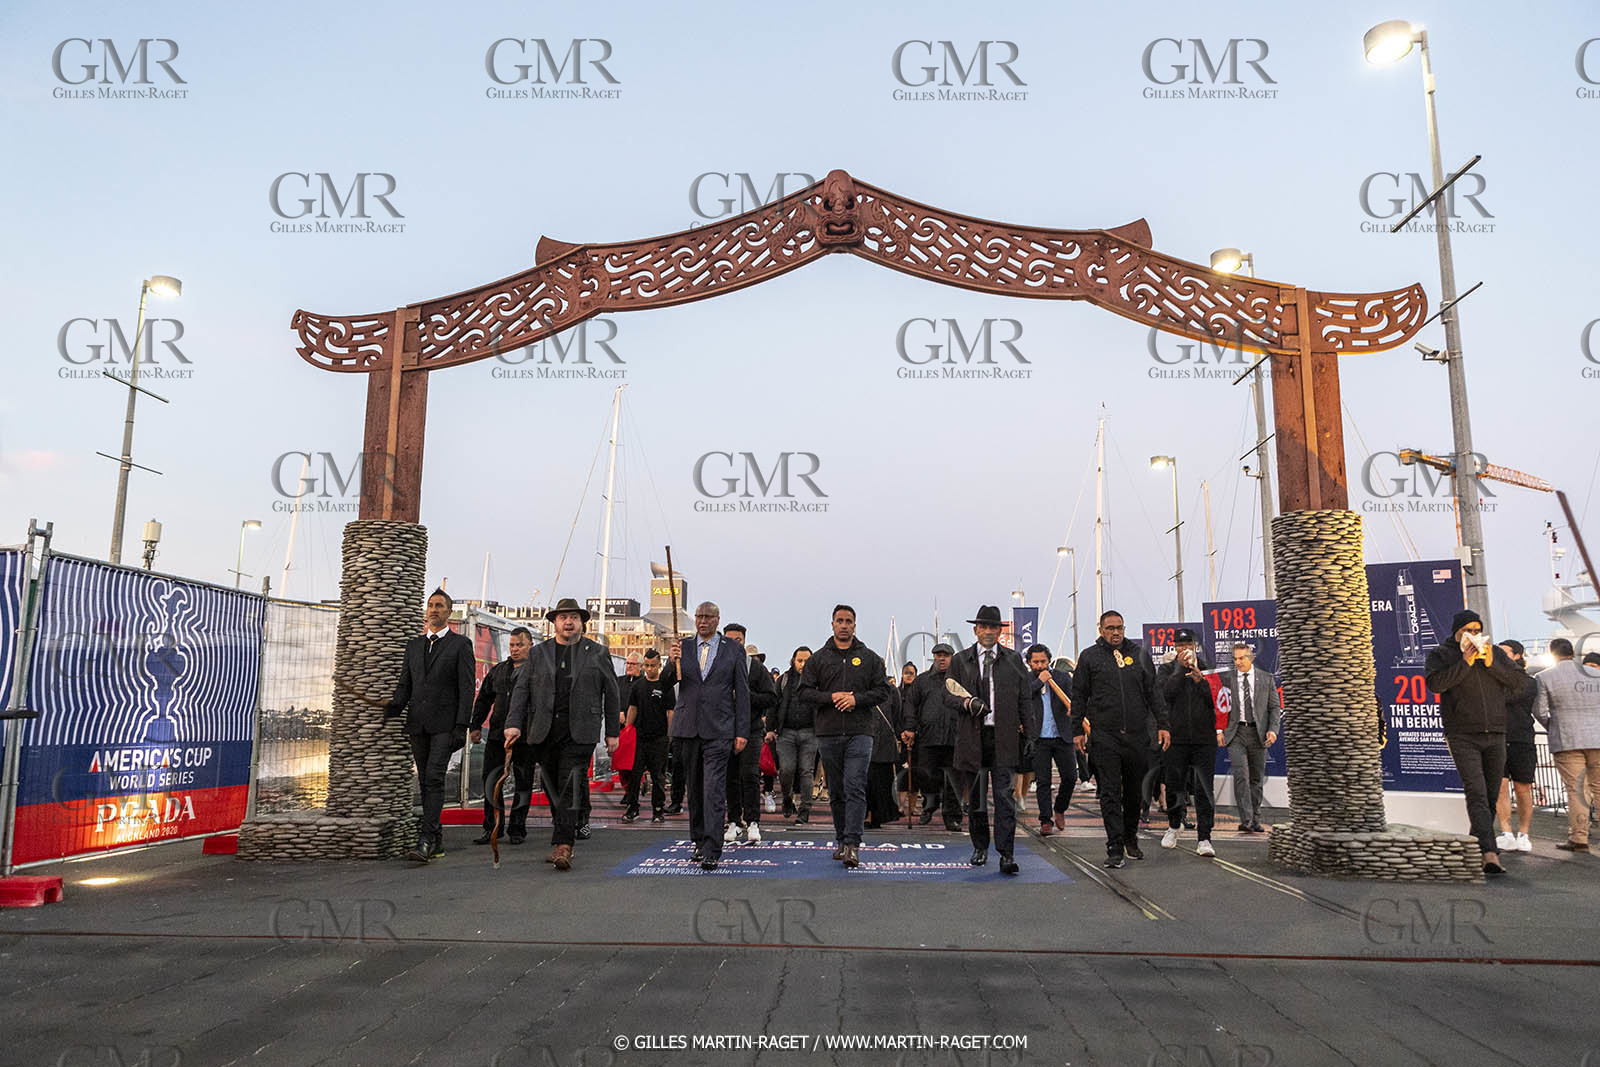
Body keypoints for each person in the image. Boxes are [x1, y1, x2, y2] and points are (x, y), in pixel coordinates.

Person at [504, 598, 620, 871]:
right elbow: (521, 690)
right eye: (563, 617)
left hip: (580, 732)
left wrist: (612, 732)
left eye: (574, 617)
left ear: (582, 623)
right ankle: (566, 828)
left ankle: (563, 845)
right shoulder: (538, 653)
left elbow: (612, 692)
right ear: (554, 623)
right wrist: (513, 723)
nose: (569, 622)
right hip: (544, 731)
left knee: (569, 784)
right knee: (552, 787)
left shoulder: (597, 652)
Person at [1072, 610, 1170, 869]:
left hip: (1137, 736)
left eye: (1120, 628)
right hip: (1105, 736)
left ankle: (1130, 836)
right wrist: (1077, 730)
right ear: (1101, 630)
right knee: (1110, 792)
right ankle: (1114, 846)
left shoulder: (1139, 655)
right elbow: (1079, 695)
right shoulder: (1089, 657)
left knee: (1135, 792)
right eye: (1110, 628)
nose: (1116, 632)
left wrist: (1163, 725)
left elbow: (1153, 692)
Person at [383, 588, 475, 863]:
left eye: (439, 606)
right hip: (418, 724)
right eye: (431, 605)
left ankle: (425, 840)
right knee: (425, 780)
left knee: (434, 777)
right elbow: (405, 684)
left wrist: (462, 726)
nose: (434, 609)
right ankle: (436, 840)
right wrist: (395, 706)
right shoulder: (413, 646)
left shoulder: (460, 645)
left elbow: (467, 688)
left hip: (446, 725)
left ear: (449, 612)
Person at [1425, 610, 1517, 875]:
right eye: (1468, 630)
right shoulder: (1441, 654)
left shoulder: (1494, 653)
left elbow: (1517, 683)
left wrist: (1491, 663)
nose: (1473, 635)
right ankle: (1489, 852)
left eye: (1477, 630)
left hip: (1495, 732)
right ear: (1457, 631)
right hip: (1462, 733)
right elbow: (1436, 684)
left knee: (1490, 794)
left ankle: (1476, 845)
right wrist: (1465, 662)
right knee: (1476, 791)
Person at [797, 605, 888, 868]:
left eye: (849, 621)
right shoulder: (818, 659)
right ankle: (841, 838)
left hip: (860, 732)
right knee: (836, 790)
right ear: (833, 624)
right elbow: (804, 692)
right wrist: (831, 697)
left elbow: (883, 691)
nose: (844, 625)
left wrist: (856, 699)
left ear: (855, 625)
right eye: (840, 621)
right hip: (829, 732)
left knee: (855, 786)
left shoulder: (870, 658)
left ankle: (852, 844)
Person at [948, 605, 1034, 876]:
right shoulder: (960, 660)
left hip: (1004, 737)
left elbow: (1025, 699)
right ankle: (980, 846)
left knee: (1005, 798)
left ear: (999, 631)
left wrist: (1031, 735)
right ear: (975, 630)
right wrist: (967, 703)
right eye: (983, 626)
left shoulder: (1014, 660)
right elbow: (947, 695)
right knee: (976, 798)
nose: (988, 631)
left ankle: (1006, 853)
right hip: (972, 738)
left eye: (993, 627)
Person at [669, 602, 751, 870]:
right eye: (699, 617)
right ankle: (698, 840)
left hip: (720, 729)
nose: (702, 621)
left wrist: (741, 731)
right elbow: (668, 681)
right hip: (688, 727)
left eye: (707, 617)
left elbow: (742, 693)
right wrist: (671, 662)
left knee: (713, 789)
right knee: (694, 789)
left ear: (717, 620)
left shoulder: (733, 650)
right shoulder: (683, 647)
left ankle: (712, 848)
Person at [1532, 638, 1600, 853]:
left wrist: (1553, 726)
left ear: (1553, 654)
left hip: (1566, 740)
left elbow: (1539, 710)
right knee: (1599, 787)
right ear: (1573, 653)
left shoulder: (1544, 677)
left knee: (1577, 789)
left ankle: (1579, 838)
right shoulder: (1596, 674)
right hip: (1597, 738)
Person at [472, 626, 536, 845]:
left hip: (526, 737)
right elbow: (483, 699)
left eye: (520, 645)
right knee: (491, 780)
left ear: (531, 646)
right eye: (512, 645)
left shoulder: (538, 673)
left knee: (523, 783)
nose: (515, 649)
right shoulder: (499, 671)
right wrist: (475, 725)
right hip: (497, 736)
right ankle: (492, 827)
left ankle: (517, 828)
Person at [1158, 629, 1217, 857]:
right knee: (1174, 786)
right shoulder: (1166, 669)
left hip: (1204, 739)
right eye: (1180, 645)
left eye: (1188, 645)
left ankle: (1204, 837)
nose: (1184, 649)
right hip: (1176, 738)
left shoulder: (1208, 667)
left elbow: (1216, 700)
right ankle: (1174, 825)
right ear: (1175, 647)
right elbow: (1164, 695)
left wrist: (1201, 680)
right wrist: (1180, 669)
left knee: (1204, 789)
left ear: (1195, 647)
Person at [1220, 642, 1281, 835]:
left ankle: (1255, 819)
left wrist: (1273, 730)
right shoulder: (1227, 679)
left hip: (1258, 734)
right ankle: (1246, 819)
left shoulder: (1266, 679)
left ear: (1251, 658)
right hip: (1236, 733)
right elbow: (1219, 706)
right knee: (1241, 777)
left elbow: (1274, 707)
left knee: (1256, 779)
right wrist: (1219, 730)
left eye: (1241, 658)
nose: (1238, 662)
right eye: (1235, 659)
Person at [722, 623, 775, 843]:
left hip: (751, 730)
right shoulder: (717, 666)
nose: (734, 644)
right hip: (724, 730)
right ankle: (734, 822)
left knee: (750, 775)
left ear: (744, 641)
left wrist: (745, 695)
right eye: (729, 640)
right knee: (730, 777)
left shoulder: (755, 667)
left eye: (738, 640)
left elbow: (771, 697)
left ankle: (753, 821)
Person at [904, 643, 963, 831]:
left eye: (945, 655)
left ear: (952, 657)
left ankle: (952, 817)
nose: (942, 658)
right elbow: (910, 705)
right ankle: (929, 806)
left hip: (954, 737)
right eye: (938, 655)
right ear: (934, 657)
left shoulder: (961, 680)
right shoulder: (922, 681)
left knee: (953, 781)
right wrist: (909, 728)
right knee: (926, 776)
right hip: (928, 737)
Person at [1025, 644, 1077, 839]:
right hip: (1039, 738)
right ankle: (1045, 820)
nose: (1040, 665)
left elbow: (1074, 698)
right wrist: (1039, 681)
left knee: (1070, 777)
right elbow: (1022, 697)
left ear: (1049, 661)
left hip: (1062, 735)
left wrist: (1074, 709)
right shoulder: (1027, 680)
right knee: (1043, 781)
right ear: (1029, 663)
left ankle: (1060, 808)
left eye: (1043, 661)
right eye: (1036, 662)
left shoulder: (1062, 677)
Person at [1494, 640, 1538, 854]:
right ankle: (1506, 832)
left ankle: (1524, 834)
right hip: (1497, 737)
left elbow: (1507, 697)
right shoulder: (1494, 678)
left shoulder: (1529, 681)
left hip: (1522, 738)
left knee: (1523, 788)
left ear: (1517, 655)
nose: (1499, 655)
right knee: (1501, 786)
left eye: (1504, 652)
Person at [622, 649, 675, 824]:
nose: (650, 669)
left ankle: (658, 810)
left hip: (659, 738)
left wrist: (670, 735)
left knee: (658, 776)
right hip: (639, 738)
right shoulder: (638, 686)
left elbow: (670, 712)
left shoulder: (665, 686)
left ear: (659, 665)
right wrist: (627, 730)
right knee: (634, 775)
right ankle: (632, 808)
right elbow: (632, 708)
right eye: (647, 665)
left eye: (653, 665)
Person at [767, 647, 816, 824]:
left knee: (806, 771)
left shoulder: (817, 681)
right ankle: (788, 798)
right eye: (799, 660)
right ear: (793, 661)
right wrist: (770, 729)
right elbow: (773, 705)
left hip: (810, 732)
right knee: (786, 770)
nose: (803, 664)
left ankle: (805, 809)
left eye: (806, 661)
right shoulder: (784, 680)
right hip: (786, 732)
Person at [865, 675, 904, 829]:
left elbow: (896, 715)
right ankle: (866, 814)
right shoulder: (862, 688)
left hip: (884, 743)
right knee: (865, 781)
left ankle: (878, 815)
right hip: (865, 739)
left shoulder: (891, 690)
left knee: (882, 782)